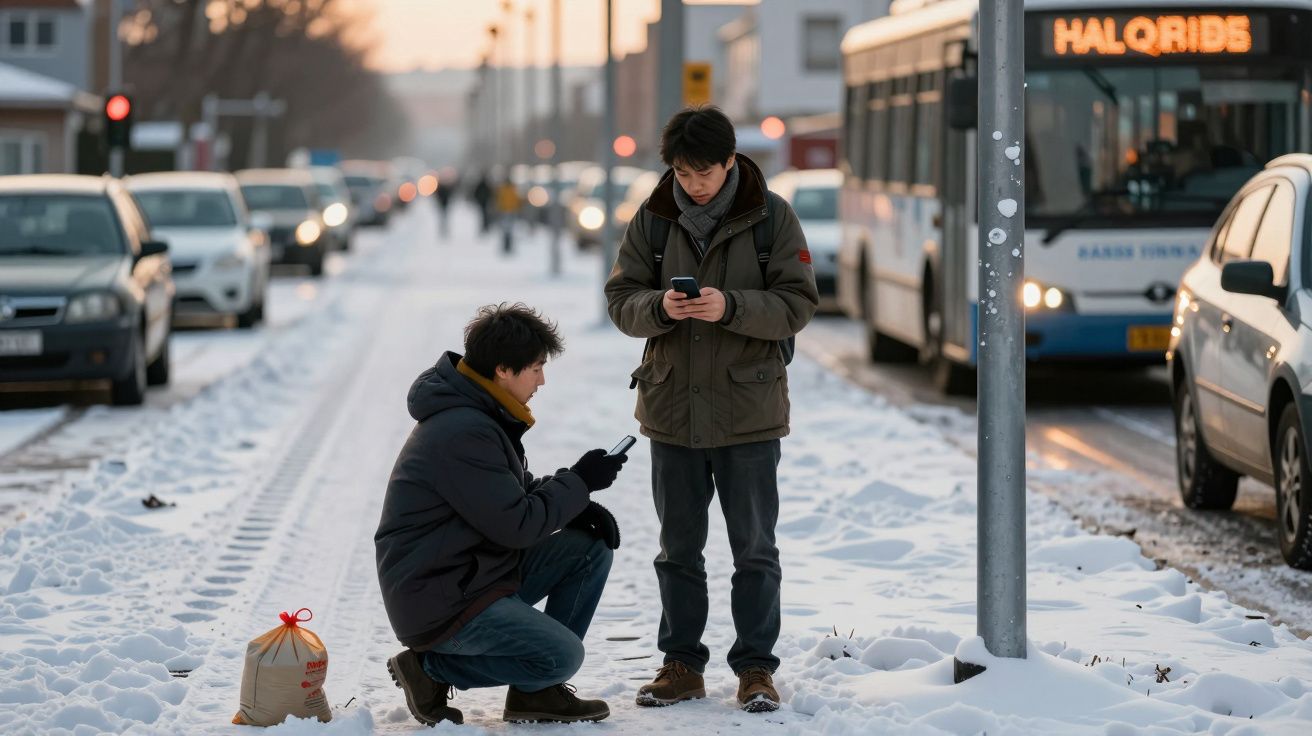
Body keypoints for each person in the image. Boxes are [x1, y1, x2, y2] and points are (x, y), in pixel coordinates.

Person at [604, 106, 818, 713]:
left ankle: (755, 668)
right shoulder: (653, 215)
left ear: (731, 162)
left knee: (754, 548)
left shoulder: (772, 216)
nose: (693, 184)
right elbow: (621, 299)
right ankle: (681, 664)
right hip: (671, 406)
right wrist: (659, 309)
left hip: (748, 408)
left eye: (704, 172)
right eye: (682, 172)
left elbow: (798, 302)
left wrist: (730, 306)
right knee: (677, 548)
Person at [376, 303, 628, 726]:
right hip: (442, 600)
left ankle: (536, 696)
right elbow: (518, 524)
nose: (542, 380)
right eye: (535, 368)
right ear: (502, 370)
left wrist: (577, 500)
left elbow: (511, 494)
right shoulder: (463, 431)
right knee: (562, 656)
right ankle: (430, 670)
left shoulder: (480, 414)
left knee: (588, 548)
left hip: (471, 573)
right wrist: (579, 483)